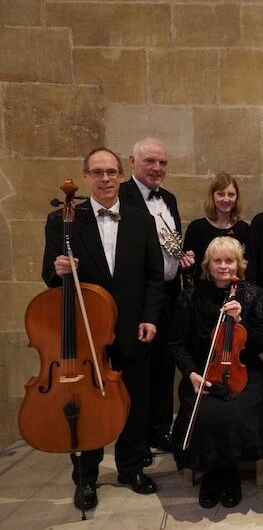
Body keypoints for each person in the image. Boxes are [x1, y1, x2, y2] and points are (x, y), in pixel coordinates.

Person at [42, 147, 164, 510]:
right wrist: (59, 268)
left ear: (121, 176)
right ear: (86, 178)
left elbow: (154, 278)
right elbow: (49, 276)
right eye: (97, 172)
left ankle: (130, 468)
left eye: (111, 172)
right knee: (88, 404)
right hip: (85, 334)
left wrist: (149, 317)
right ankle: (86, 478)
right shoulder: (64, 219)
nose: (106, 178)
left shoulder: (142, 221)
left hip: (131, 328)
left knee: (134, 402)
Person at [169, 237, 263, 509]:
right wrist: (190, 373)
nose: (224, 266)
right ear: (207, 265)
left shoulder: (254, 294)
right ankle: (212, 472)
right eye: (217, 260)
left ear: (239, 264)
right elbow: (176, 344)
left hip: (244, 371)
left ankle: (230, 471)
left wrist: (240, 321)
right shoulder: (190, 296)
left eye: (229, 260)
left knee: (235, 412)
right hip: (203, 371)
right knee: (204, 412)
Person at [119, 137, 193, 460]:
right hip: (138, 297)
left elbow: (167, 246)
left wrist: (181, 258)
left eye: (162, 162)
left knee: (165, 366)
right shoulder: (120, 197)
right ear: (131, 162)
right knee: (140, 370)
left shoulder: (170, 199)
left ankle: (159, 428)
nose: (157, 168)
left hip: (169, 293)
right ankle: (137, 438)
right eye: (150, 161)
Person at [183, 173, 250, 284]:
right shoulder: (196, 228)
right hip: (202, 292)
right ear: (212, 196)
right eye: (221, 194)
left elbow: (246, 266)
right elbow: (187, 267)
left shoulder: (243, 229)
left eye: (231, 195)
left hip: (235, 291)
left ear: (236, 197)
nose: (226, 199)